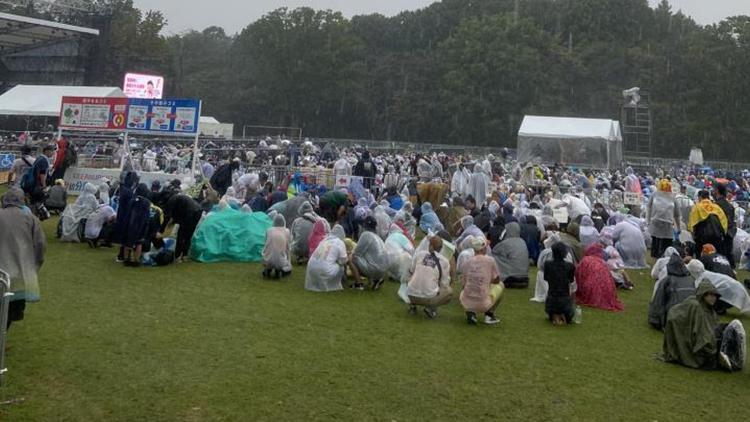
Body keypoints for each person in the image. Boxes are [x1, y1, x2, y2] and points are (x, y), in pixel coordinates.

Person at [663, 280, 746, 371]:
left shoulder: (707, 308)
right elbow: (704, 338)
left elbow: (711, 326)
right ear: (703, 294)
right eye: (710, 294)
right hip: (696, 351)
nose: (713, 298)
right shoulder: (697, 307)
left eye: (715, 295)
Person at [0, 188, 46, 329]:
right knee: (10, 311)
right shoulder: (31, 218)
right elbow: (40, 244)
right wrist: (35, 265)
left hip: (1, 273)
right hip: (19, 274)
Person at [406, 235, 452, 319]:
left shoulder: (419, 254)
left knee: (410, 277)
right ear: (441, 248)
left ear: (429, 245)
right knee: (448, 291)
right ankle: (431, 308)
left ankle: (412, 306)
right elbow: (444, 284)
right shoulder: (445, 261)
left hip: (410, 294)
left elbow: (410, 271)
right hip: (428, 298)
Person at [460, 237, 503, 325]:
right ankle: (489, 315)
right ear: (484, 248)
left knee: (465, 290)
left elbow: (463, 285)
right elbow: (497, 280)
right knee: (501, 285)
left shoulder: (467, 263)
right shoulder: (490, 260)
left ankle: (471, 313)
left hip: (467, 302)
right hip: (483, 303)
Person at [649, 254, 695, 331]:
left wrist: (654, 320)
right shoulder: (691, 280)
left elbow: (658, 302)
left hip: (673, 318)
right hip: (690, 319)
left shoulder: (667, 280)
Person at [574, 244, 624, 312]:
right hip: (607, 293)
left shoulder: (585, 260)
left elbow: (578, 276)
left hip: (591, 292)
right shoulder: (602, 262)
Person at [161, 193, 203, 261]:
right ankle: (184, 255)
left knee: (181, 235)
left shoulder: (171, 200)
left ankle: (177, 257)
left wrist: (161, 230)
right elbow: (178, 214)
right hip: (198, 210)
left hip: (190, 212)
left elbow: (167, 216)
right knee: (188, 235)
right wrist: (172, 222)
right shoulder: (178, 198)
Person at [305, 225, 348, 292]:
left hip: (311, 267)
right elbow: (343, 260)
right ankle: (335, 285)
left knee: (326, 265)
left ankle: (320, 283)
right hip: (324, 270)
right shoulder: (339, 242)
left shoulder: (324, 240)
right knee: (341, 267)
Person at [350, 216, 388, 290]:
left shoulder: (366, 234)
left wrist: (349, 252)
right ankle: (375, 280)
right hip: (383, 271)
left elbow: (357, 253)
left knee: (350, 258)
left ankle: (358, 284)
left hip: (375, 269)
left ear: (364, 225)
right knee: (367, 257)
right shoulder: (378, 237)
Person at [544, 242, 577, 325]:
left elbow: (546, 278)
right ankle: (562, 315)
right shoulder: (570, 266)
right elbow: (571, 280)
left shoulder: (547, 264)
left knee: (551, 309)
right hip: (564, 299)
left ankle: (555, 315)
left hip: (551, 299)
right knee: (569, 312)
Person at [647, 179, 681, 258]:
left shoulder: (673, 197)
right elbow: (648, 207)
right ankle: (655, 256)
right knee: (656, 241)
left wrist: (678, 228)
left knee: (666, 245)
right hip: (656, 221)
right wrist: (648, 220)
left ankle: (664, 257)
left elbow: (677, 214)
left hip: (667, 223)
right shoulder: (654, 194)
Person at [689, 190, 727, 259]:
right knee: (715, 255)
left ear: (700, 197)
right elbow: (724, 222)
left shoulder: (697, 206)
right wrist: (723, 233)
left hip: (701, 237)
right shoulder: (716, 207)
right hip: (716, 235)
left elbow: (692, 222)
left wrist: (692, 234)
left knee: (700, 255)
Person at [492, 222, 529, 288]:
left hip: (510, 277)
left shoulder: (506, 243)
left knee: (494, 257)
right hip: (524, 276)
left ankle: (496, 276)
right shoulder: (522, 241)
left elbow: (494, 251)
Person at [713, 184, 736, 267]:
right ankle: (732, 269)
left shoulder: (716, 205)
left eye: (714, 189)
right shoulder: (730, 206)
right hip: (730, 231)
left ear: (717, 191)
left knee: (721, 254)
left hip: (721, 232)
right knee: (729, 252)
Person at [262, 214, 292, 279]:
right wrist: (289, 263)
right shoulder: (287, 231)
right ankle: (278, 271)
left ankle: (268, 269)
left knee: (271, 255)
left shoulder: (269, 230)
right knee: (283, 261)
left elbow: (266, 244)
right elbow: (287, 248)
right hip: (281, 262)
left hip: (266, 259)